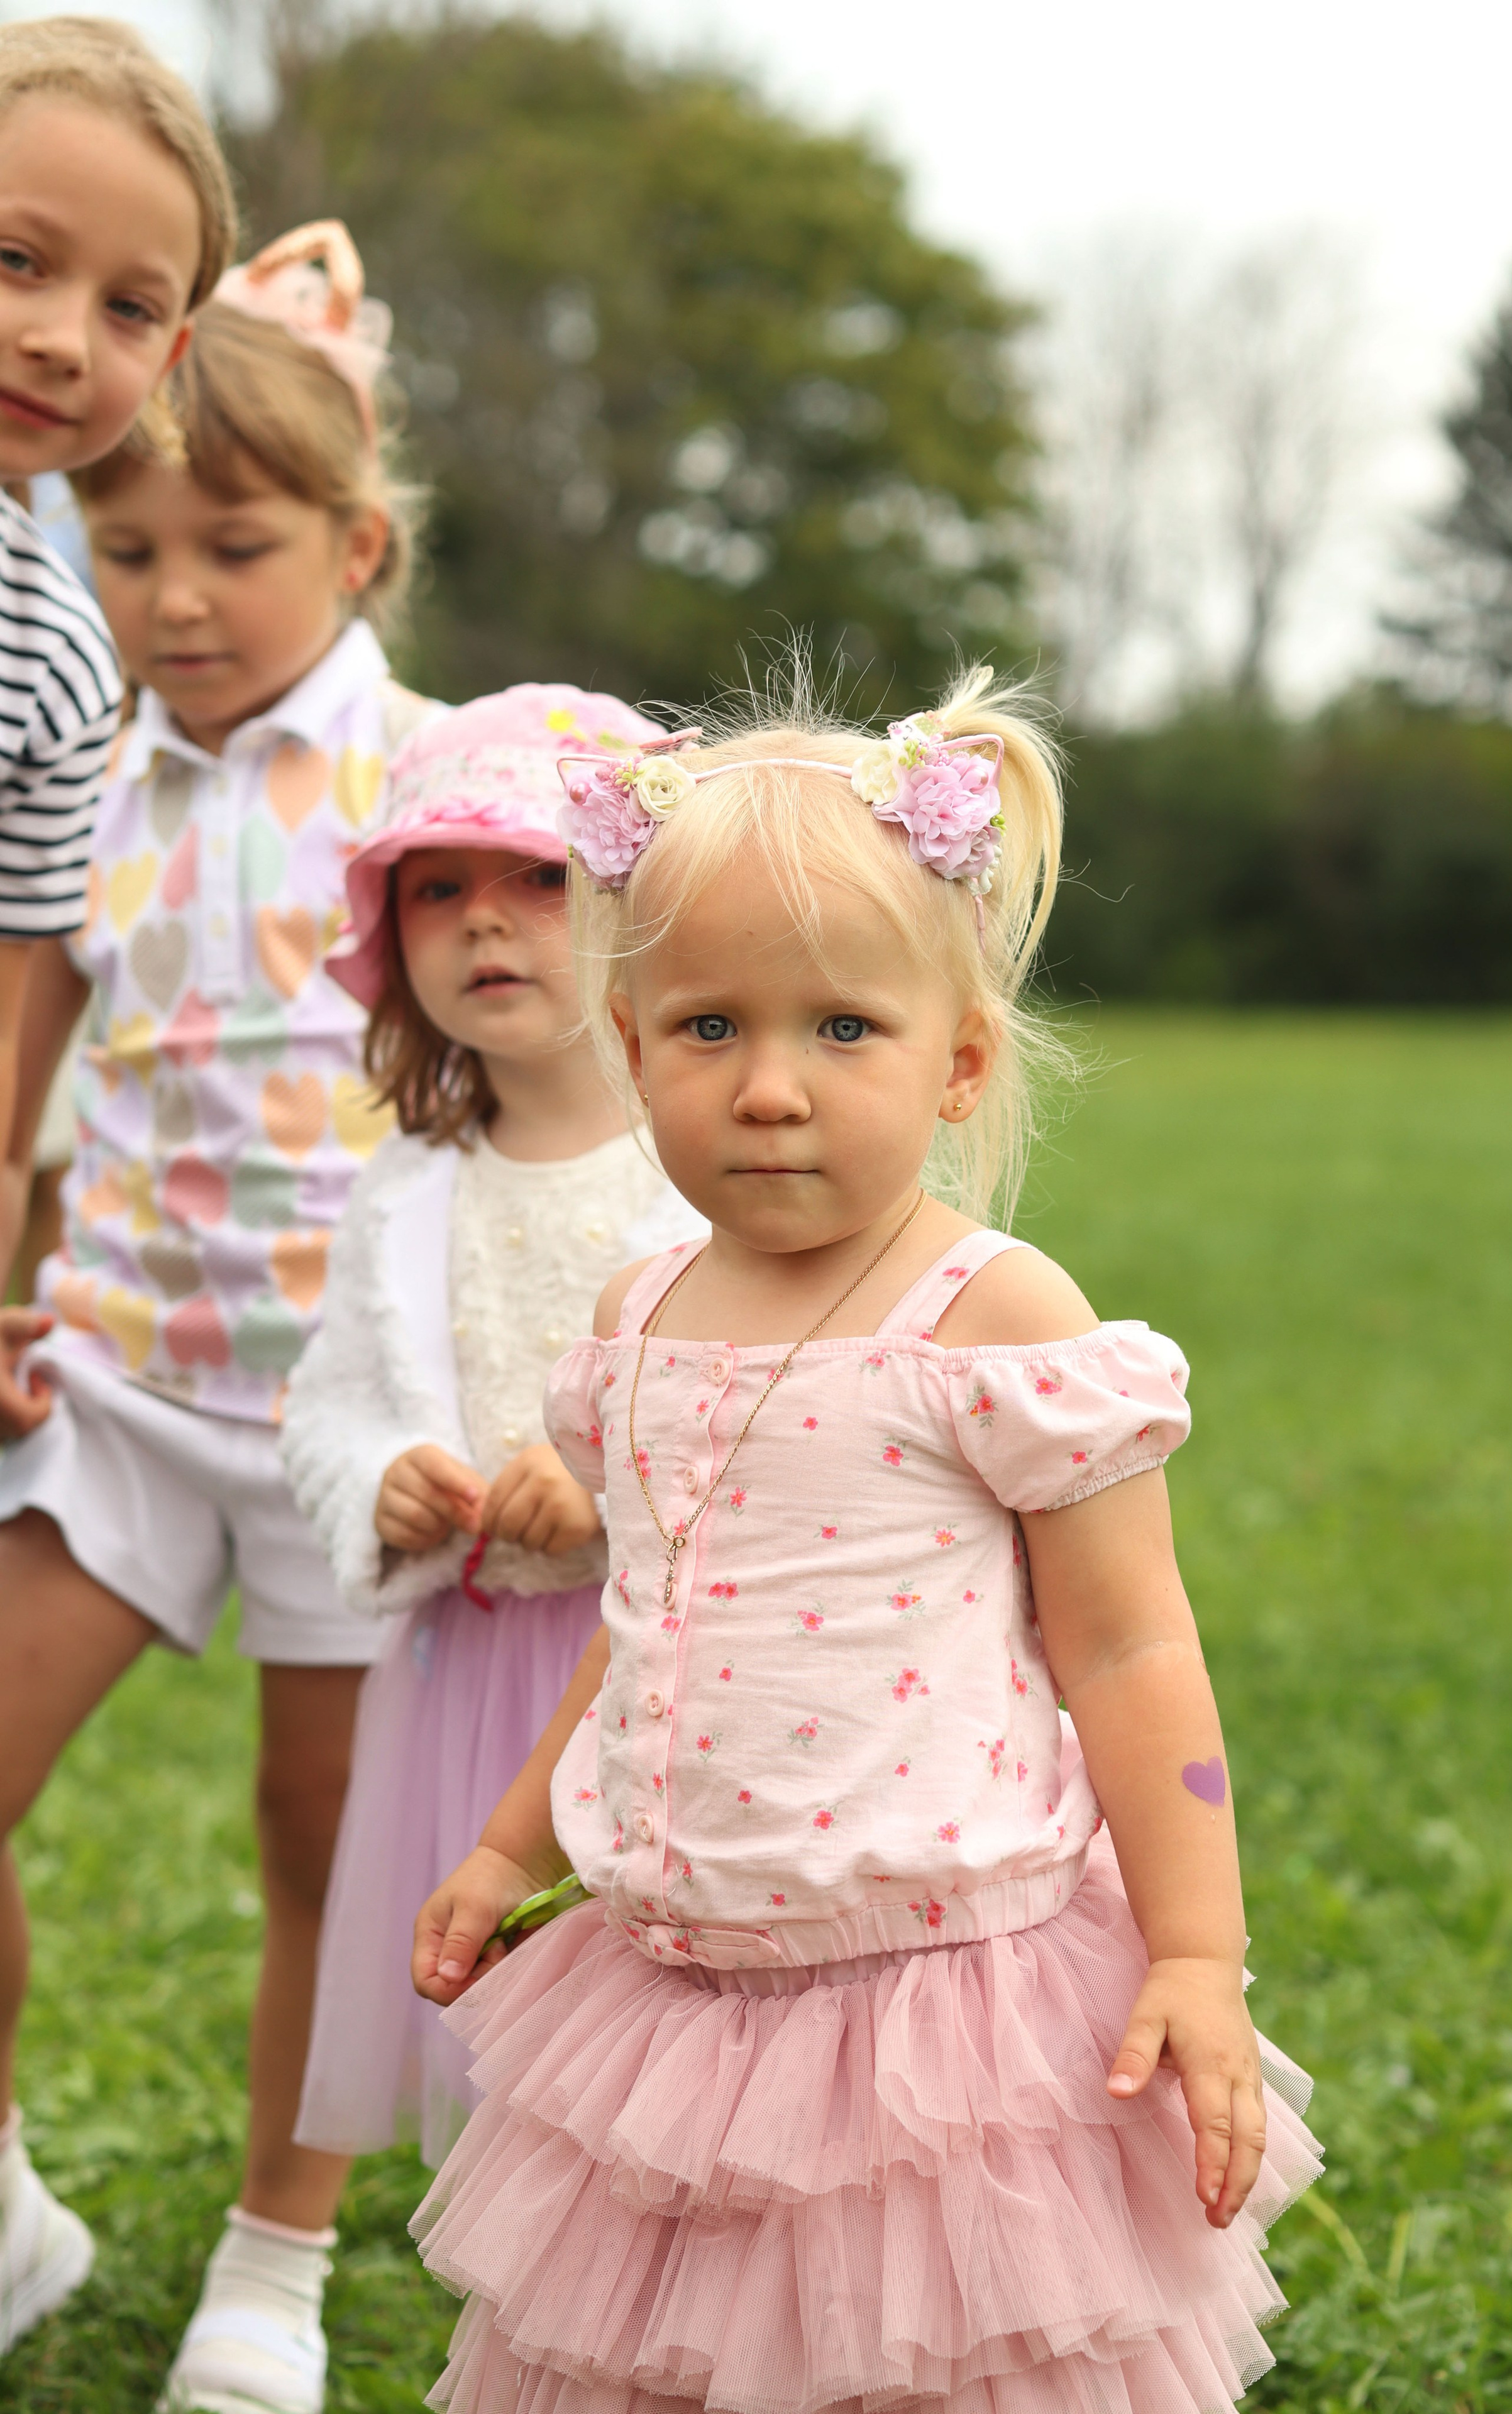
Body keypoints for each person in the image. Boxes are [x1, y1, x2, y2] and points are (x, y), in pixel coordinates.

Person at [408, 671, 1325, 2414]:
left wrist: (1198, 1952)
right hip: (675, 1986)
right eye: (707, 1030)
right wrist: (511, 1841)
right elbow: (648, 1611)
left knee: (935, 2355)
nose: (770, 1090)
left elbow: (1133, 1651)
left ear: (959, 1056)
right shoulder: (640, 1315)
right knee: (659, 2349)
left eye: (842, 1029)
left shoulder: (993, 1319)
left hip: (941, 2004)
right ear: (630, 1047)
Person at [0, 226, 434, 2412]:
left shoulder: (439, 788)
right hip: (117, 1383)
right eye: (126, 538)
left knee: (323, 1841)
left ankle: (275, 2260)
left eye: (235, 547)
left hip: (360, 1430)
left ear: (356, 548)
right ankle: (1, 2203)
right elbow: (15, 1060)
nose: (173, 594)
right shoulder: (75, 782)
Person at [282, 685, 706, 2174]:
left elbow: (799, 1396)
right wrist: (378, 1477)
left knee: (673, 2019)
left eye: (539, 877)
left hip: (663, 1675)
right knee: (519, 2031)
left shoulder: (703, 1165)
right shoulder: (408, 1187)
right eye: (437, 889)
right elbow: (329, 1402)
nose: (484, 923)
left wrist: (607, 1476)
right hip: (468, 1683)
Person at [0, 15, 236, 1274]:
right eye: (16, 257)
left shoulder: (61, 658)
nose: (61, 337)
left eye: (129, 308)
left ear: (171, 358)